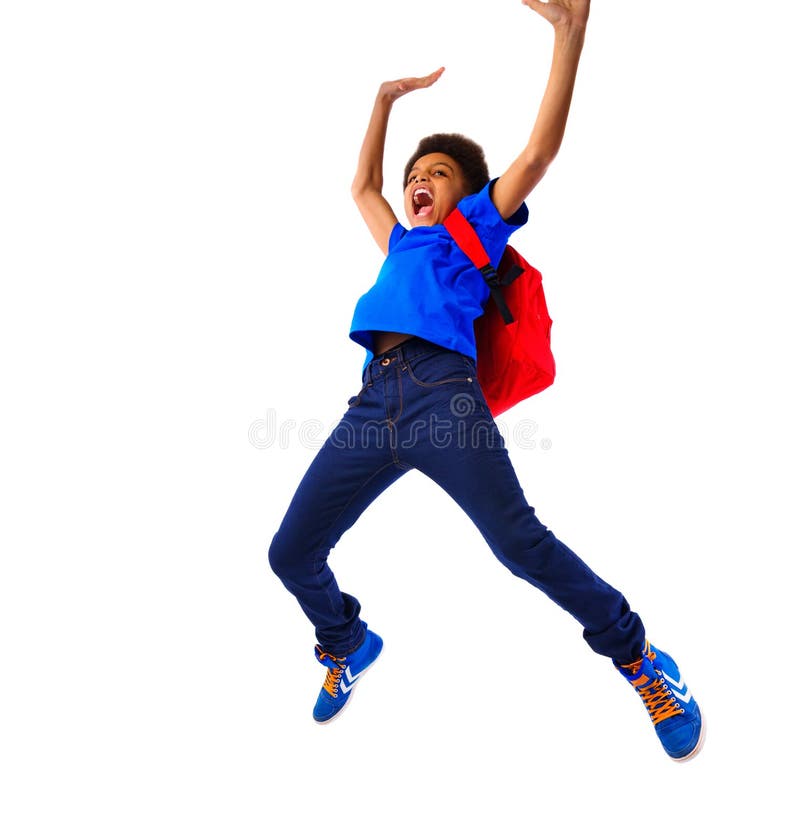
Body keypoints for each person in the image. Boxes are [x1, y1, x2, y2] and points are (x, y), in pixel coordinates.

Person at [268, 0, 705, 761]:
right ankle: (346, 640)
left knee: (519, 544)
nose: (418, 181)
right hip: (374, 402)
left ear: (464, 191)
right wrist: (381, 101)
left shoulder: (472, 231)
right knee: (290, 552)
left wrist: (571, 36)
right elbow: (360, 189)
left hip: (443, 397)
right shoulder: (399, 243)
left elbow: (535, 154)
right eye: (415, 175)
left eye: (435, 172)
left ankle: (639, 658)